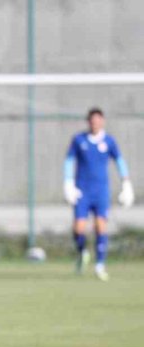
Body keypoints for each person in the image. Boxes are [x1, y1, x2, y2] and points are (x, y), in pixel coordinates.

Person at [63, 107, 134, 281]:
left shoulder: (109, 141)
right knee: (79, 228)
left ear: (102, 121)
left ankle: (100, 265)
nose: (95, 123)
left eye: (98, 120)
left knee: (100, 226)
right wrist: (68, 182)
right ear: (88, 122)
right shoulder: (79, 140)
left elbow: (119, 161)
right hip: (82, 190)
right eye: (92, 120)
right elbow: (69, 160)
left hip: (101, 191)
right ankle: (82, 252)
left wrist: (126, 183)